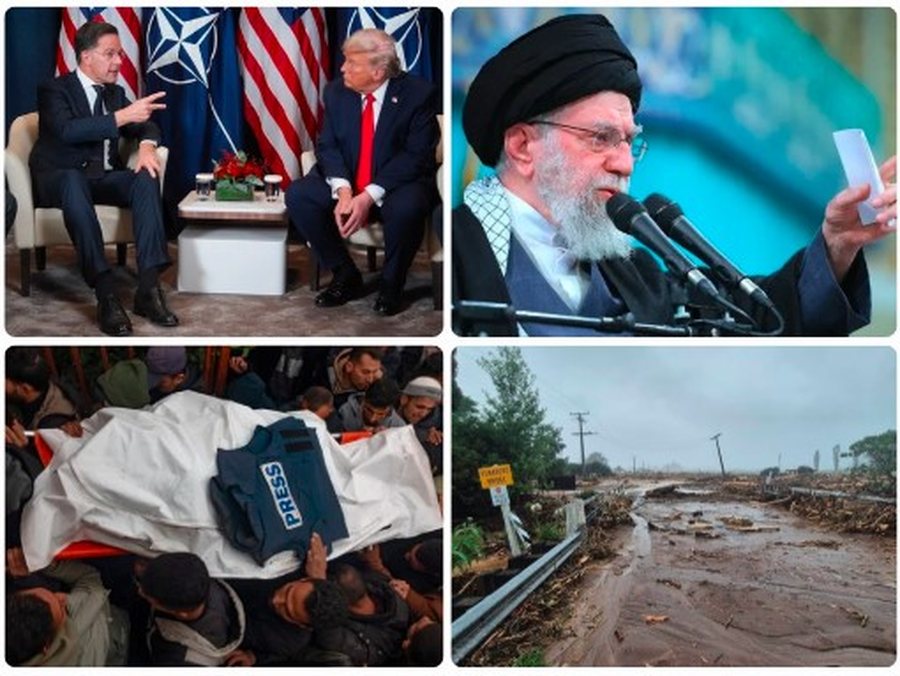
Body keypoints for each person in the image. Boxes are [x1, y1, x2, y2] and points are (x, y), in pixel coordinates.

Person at [452, 13, 897, 337]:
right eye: (600, 138)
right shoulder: (448, 256)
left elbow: (753, 319)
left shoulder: (636, 273)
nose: (624, 163)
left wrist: (836, 246)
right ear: (523, 147)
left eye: (629, 141)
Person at [29, 21, 176, 336]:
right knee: (72, 179)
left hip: (101, 178)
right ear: (85, 57)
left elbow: (146, 126)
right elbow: (69, 131)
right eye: (110, 54)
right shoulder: (54, 89)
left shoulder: (115, 93)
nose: (119, 62)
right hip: (59, 178)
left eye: (120, 54)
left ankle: (148, 290)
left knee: (145, 176)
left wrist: (148, 147)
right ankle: (106, 293)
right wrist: (123, 116)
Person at [286, 28, 440, 316]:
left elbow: (416, 157)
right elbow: (328, 146)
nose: (343, 68)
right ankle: (345, 274)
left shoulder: (418, 95)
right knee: (300, 194)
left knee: (409, 205)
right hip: (349, 180)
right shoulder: (336, 92)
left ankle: (392, 286)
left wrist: (368, 196)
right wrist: (344, 190)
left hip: (395, 186)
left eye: (352, 63)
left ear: (378, 72)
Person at [5, 548, 129, 666]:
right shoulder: (83, 641)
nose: (62, 598)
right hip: (119, 635)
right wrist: (45, 565)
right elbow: (90, 579)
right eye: (60, 606)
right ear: (47, 646)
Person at [137, 553, 245, 666]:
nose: (139, 591)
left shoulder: (179, 660)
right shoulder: (206, 585)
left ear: (182, 614)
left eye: (150, 599)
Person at [384, 376, 443, 475]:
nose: (423, 413)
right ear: (404, 399)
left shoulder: (433, 433)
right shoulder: (383, 412)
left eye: (429, 409)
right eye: (420, 407)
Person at [333, 376, 400, 434]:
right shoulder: (344, 412)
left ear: (390, 409)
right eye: (368, 410)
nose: (372, 419)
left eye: (381, 414)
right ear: (363, 400)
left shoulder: (398, 427)